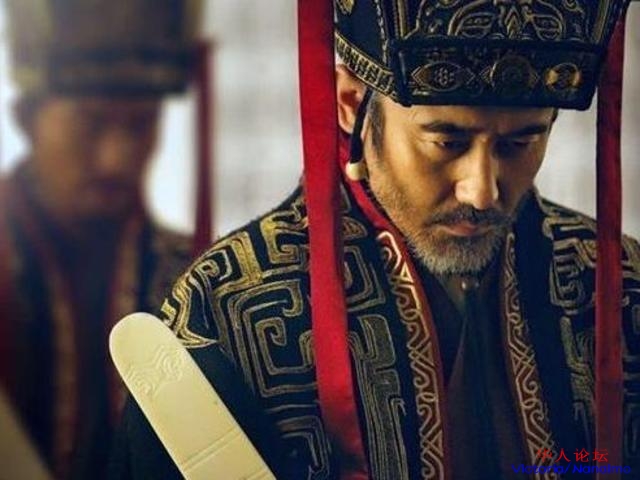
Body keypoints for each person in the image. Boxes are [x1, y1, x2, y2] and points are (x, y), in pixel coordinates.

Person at [111, 1, 640, 479]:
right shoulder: (228, 306)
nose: (482, 190)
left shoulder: (619, 282)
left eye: (520, 143)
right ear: (349, 102)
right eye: (447, 141)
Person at [0, 0, 204, 478]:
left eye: (141, 125)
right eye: (91, 124)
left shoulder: (195, 276)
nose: (117, 158)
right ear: (27, 117)